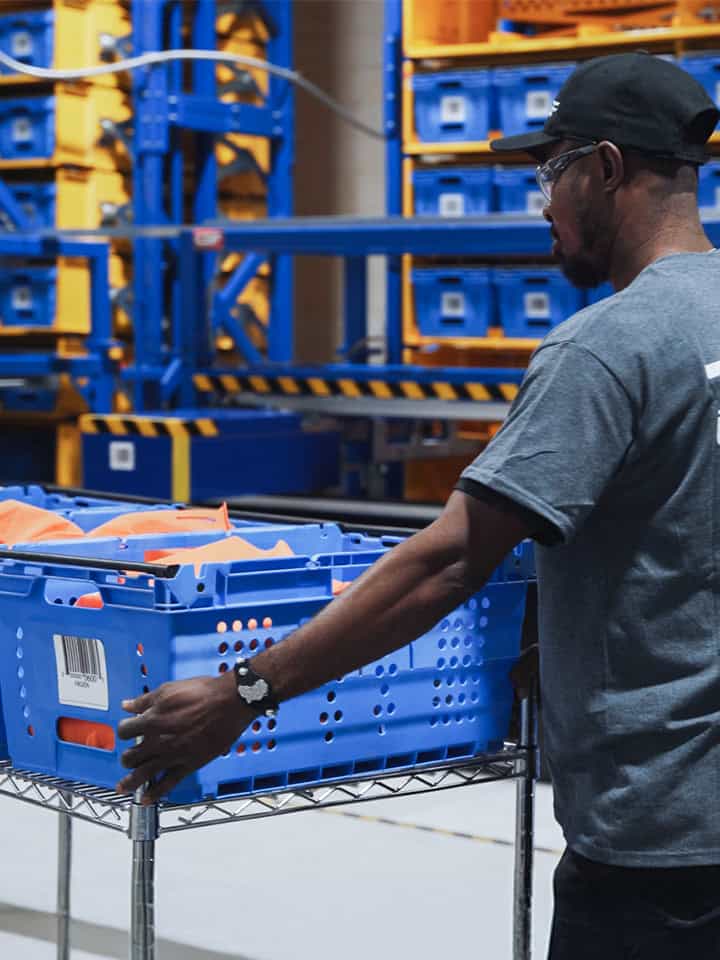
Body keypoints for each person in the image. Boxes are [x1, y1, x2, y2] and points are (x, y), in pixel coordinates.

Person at [117, 52, 720, 959]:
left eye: (548, 172)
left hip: (657, 841)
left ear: (604, 168)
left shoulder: (605, 348)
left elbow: (446, 560)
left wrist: (246, 690)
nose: (541, 204)